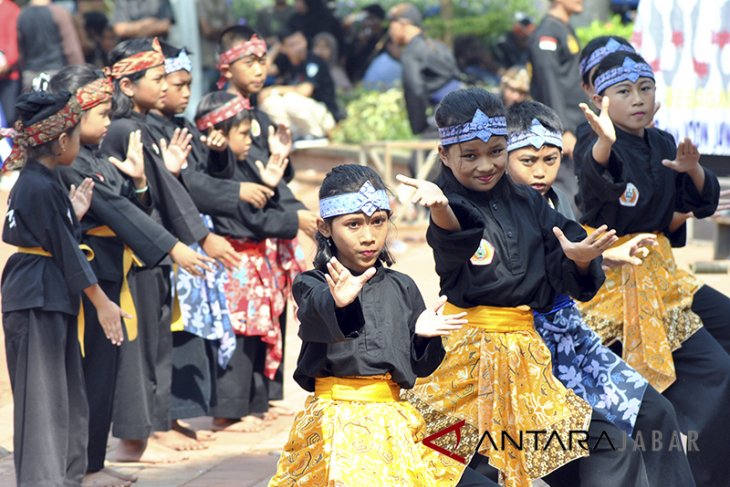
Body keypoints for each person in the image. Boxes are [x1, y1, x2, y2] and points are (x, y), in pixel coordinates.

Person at [398, 87, 651, 487]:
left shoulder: (529, 201)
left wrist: (582, 259)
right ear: (444, 155)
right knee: (463, 465)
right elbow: (455, 236)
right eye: (470, 155)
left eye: (496, 151)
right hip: (466, 368)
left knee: (610, 446)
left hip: (525, 361)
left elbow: (566, 256)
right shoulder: (449, 206)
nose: (486, 165)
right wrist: (441, 207)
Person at [506, 99, 696, 487]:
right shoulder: (496, 213)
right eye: (528, 160)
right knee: (600, 450)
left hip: (574, 343)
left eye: (550, 158)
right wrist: (591, 260)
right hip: (527, 353)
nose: (541, 171)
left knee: (656, 414)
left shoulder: (552, 202)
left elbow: (568, 256)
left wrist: (603, 257)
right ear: (501, 157)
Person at [268, 164, 496, 486]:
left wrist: (420, 338)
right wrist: (339, 302)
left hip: (393, 421)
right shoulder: (313, 284)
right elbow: (316, 313)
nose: (368, 236)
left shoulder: (403, 287)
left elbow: (421, 368)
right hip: (337, 423)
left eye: (378, 222)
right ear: (325, 227)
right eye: (353, 224)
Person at [48, 63, 214, 486]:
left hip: (111, 271)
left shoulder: (96, 157)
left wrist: (139, 183)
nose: (109, 120)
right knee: (89, 375)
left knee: (105, 372)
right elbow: (113, 211)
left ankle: (94, 464)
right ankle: (82, 467)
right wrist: (174, 247)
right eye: (101, 113)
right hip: (88, 278)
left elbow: (129, 204)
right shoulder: (69, 164)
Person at [576, 50, 730, 486]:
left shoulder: (662, 142)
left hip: (662, 276)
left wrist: (694, 170)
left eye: (645, 88)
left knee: (716, 371)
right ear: (600, 99)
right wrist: (604, 144)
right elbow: (591, 194)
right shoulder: (594, 143)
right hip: (611, 276)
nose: (638, 99)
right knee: (625, 394)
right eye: (624, 91)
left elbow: (694, 205)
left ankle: (706, 472)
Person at [100, 36, 227, 463]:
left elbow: (161, 187)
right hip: (134, 254)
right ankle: (133, 442)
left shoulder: (140, 125)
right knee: (138, 350)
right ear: (128, 85)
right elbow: (152, 195)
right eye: (156, 78)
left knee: (156, 345)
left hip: (151, 250)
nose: (164, 85)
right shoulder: (125, 129)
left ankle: (154, 428)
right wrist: (187, 242)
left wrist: (183, 241)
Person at [1, 89, 127, 487]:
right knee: (42, 397)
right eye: (74, 135)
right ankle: (43, 481)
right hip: (37, 292)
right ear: (60, 141)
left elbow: (51, 234)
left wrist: (70, 213)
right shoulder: (38, 185)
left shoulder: (42, 182)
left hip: (44, 289)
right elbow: (67, 252)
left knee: (64, 391)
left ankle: (66, 475)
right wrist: (103, 302)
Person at [191, 91, 310, 431]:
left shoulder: (242, 162)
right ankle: (227, 412)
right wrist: (294, 220)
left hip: (254, 260)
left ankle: (250, 404)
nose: (249, 140)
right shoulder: (217, 166)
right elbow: (248, 216)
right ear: (218, 134)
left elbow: (255, 208)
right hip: (232, 259)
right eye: (242, 134)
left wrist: (271, 178)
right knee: (237, 335)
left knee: (258, 332)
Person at [528, 0, 587, 210]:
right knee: (567, 187)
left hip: (577, 123)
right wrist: (563, 129)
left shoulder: (564, 27)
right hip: (562, 128)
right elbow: (549, 83)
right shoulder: (547, 32)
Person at [387, 3, 462, 136]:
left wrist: (419, 127)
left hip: (448, 117)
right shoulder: (438, 46)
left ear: (403, 24)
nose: (390, 32)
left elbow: (415, 90)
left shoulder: (412, 52)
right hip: (467, 110)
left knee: (420, 156)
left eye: (391, 26)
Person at [260, 29, 339, 140]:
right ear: (284, 48)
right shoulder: (285, 62)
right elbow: (262, 69)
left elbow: (305, 90)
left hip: (323, 116)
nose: (299, 47)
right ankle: (292, 136)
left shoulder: (314, 61)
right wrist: (277, 46)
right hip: (300, 120)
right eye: (292, 44)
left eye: (300, 42)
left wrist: (273, 90)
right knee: (269, 103)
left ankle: (316, 135)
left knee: (290, 98)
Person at [17, 0, 84, 91]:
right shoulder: (59, 13)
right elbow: (71, 49)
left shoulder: (22, 14)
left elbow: (19, 48)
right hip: (55, 73)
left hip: (30, 74)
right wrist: (81, 74)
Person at [196, 0, 232, 93]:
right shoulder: (200, 3)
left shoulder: (223, 3)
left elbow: (230, 29)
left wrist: (216, 31)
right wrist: (223, 32)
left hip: (222, 62)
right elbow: (207, 31)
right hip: (206, 62)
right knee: (206, 97)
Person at [0, 0, 20, 124]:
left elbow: (14, 45)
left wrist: (7, 63)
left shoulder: (11, 10)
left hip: (8, 76)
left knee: (9, 119)